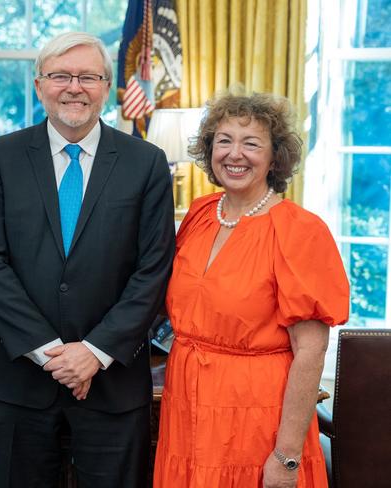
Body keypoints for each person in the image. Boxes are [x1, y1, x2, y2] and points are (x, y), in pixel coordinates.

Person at [0, 31, 176, 488]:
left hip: (113, 385)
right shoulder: (0, 157)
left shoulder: (147, 163)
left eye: (88, 76)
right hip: (18, 382)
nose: (74, 87)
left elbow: (154, 269)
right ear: (40, 84)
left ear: (106, 87)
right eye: (61, 75)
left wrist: (94, 353)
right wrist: (52, 355)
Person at [153, 92, 350, 488]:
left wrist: (287, 455)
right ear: (209, 150)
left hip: (254, 420)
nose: (234, 154)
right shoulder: (200, 214)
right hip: (185, 409)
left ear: (275, 157)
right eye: (223, 140)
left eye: (251, 143)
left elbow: (310, 352)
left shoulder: (299, 231)